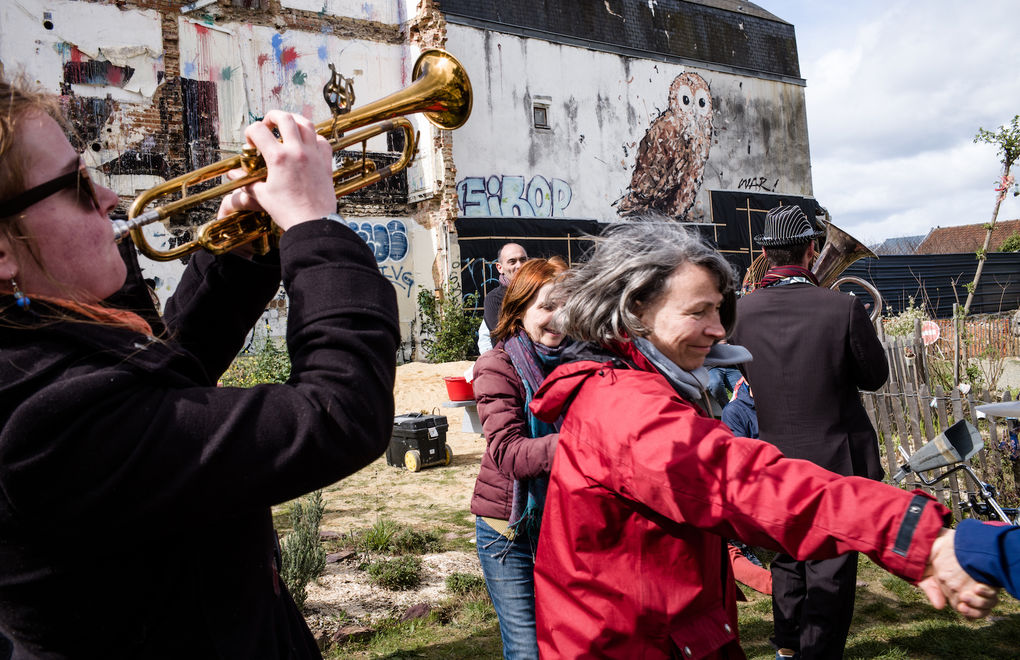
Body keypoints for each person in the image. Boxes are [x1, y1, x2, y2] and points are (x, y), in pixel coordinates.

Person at [0, 79, 399, 658]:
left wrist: (243, 248)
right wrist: (317, 228)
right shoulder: (42, 418)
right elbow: (338, 413)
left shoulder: (44, 346)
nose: (109, 196)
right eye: (77, 186)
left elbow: (167, 381)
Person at [528, 221, 998, 660]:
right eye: (699, 312)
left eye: (718, 310)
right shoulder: (624, 406)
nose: (718, 329)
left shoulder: (635, 383)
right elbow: (739, 484)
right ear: (635, 311)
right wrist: (911, 532)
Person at [728, 205, 887, 660]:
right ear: (813, 248)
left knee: (788, 558)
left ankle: (787, 647)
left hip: (774, 460)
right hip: (838, 462)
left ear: (764, 252)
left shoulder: (743, 311)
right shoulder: (842, 306)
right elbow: (874, 378)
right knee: (831, 570)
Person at [469, 256, 568, 660]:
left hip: (564, 527)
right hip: (508, 533)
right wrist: (580, 442)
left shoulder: (582, 363)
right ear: (520, 310)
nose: (558, 318)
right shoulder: (497, 365)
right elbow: (508, 453)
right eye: (547, 307)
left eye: (566, 305)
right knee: (527, 650)